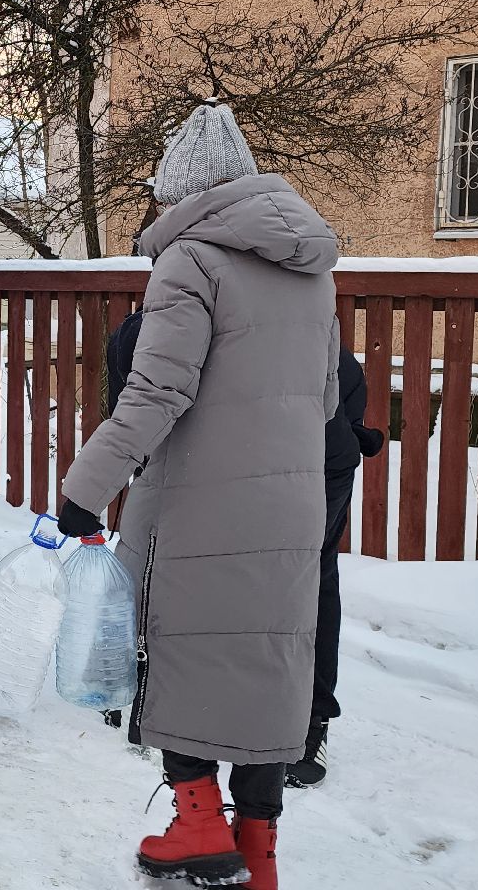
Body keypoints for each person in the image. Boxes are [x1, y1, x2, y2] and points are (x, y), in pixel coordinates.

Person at [57, 101, 340, 890]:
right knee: (265, 668)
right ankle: (259, 854)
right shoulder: (311, 272)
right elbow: (322, 401)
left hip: (199, 504)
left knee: (179, 651)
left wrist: (84, 492)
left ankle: (198, 824)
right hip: (290, 506)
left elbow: (154, 394)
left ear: (183, 191)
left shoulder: (190, 261)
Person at [108, 313, 386, 788]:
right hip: (248, 435)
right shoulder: (137, 341)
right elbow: (139, 433)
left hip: (318, 444)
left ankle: (308, 723)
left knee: (301, 579)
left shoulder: (246, 338)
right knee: (182, 560)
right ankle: (153, 689)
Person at [291, 347, 384, 788]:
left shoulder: (306, 322)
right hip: (272, 455)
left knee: (305, 578)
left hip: (323, 458)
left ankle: (310, 725)